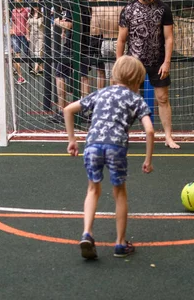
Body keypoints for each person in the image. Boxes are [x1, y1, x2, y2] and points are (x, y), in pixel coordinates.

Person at [63, 55, 155, 259]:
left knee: (93, 189)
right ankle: (120, 243)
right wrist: (148, 160)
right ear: (137, 80)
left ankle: (87, 233)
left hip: (92, 145)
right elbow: (149, 131)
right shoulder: (136, 99)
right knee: (119, 192)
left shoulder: (101, 93)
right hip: (116, 146)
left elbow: (68, 110)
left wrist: (72, 140)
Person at [117, 0, 180, 149]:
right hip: (134, 62)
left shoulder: (163, 9)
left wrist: (167, 61)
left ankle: (168, 137)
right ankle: (122, 135)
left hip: (158, 61)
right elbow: (121, 39)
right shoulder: (128, 9)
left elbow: (169, 38)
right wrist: (119, 63)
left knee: (162, 98)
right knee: (128, 99)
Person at [10, 0, 30, 84]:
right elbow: (13, 22)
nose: (17, 3)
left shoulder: (26, 10)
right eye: (16, 1)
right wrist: (13, 30)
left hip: (24, 33)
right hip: (16, 34)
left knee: (26, 51)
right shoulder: (13, 11)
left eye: (18, 1)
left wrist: (28, 34)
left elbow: (28, 23)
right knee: (17, 53)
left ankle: (31, 66)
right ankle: (19, 74)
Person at [27, 6, 44, 75]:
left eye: (37, 6)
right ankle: (40, 69)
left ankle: (35, 69)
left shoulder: (42, 14)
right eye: (34, 6)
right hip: (32, 35)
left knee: (38, 52)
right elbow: (28, 26)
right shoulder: (30, 15)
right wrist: (27, 35)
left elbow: (42, 25)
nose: (36, 8)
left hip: (40, 35)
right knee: (33, 52)